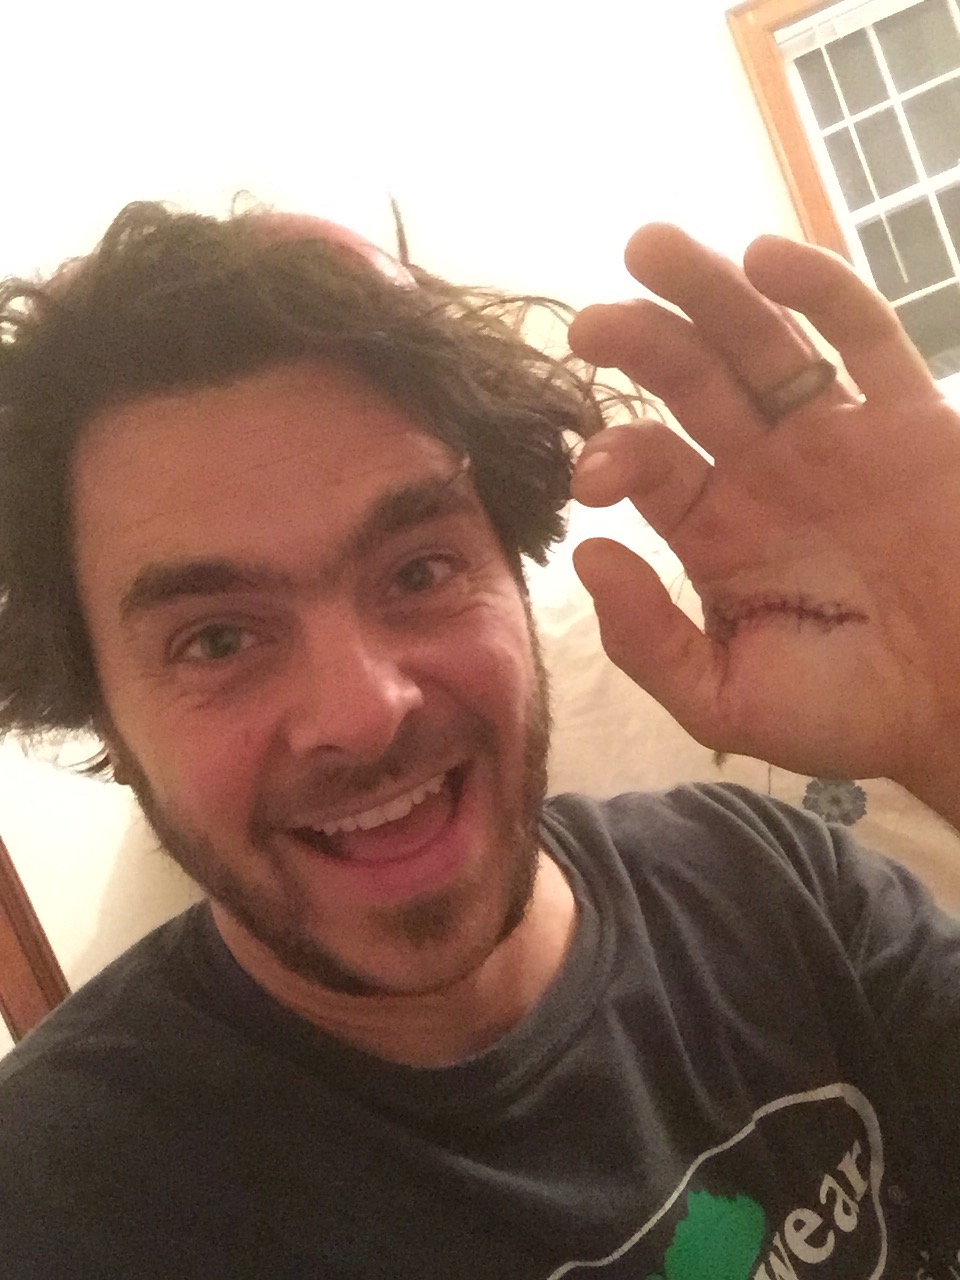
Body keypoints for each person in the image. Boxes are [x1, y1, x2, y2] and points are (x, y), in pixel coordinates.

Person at [0, 201, 957, 1279]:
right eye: (217, 638)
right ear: (102, 709)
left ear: (510, 565)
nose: (364, 711)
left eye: (418, 570)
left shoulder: (773, 881)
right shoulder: (52, 1204)